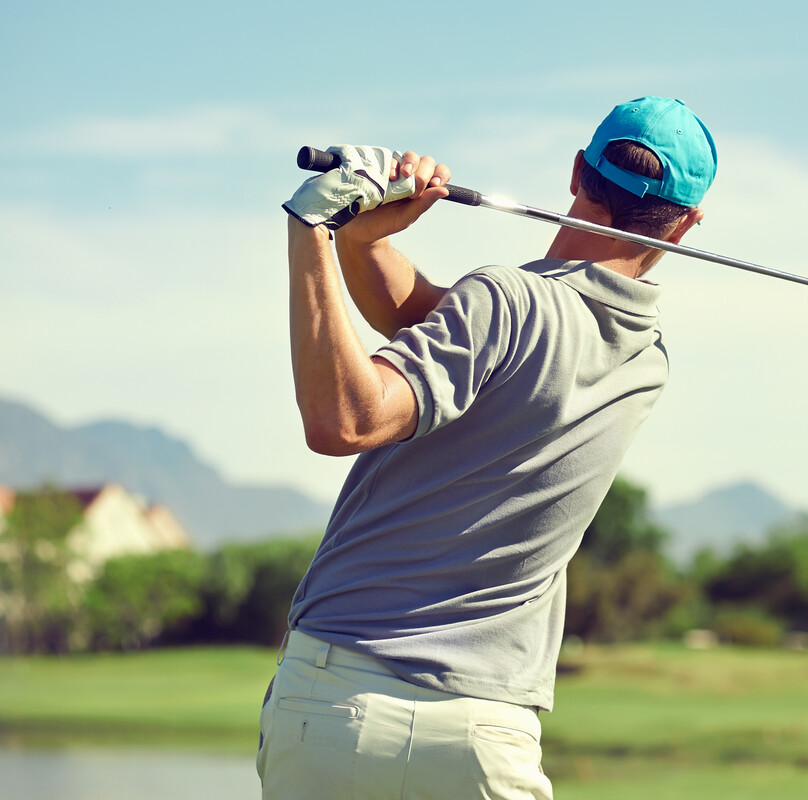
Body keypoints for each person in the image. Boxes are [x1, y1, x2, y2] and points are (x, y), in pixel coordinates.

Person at [259, 97, 717, 800]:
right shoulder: (646, 357)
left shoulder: (505, 300)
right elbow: (437, 328)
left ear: (576, 172)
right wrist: (366, 244)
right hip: (485, 737)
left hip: (338, 700)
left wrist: (316, 228)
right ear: (686, 226)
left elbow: (344, 419)